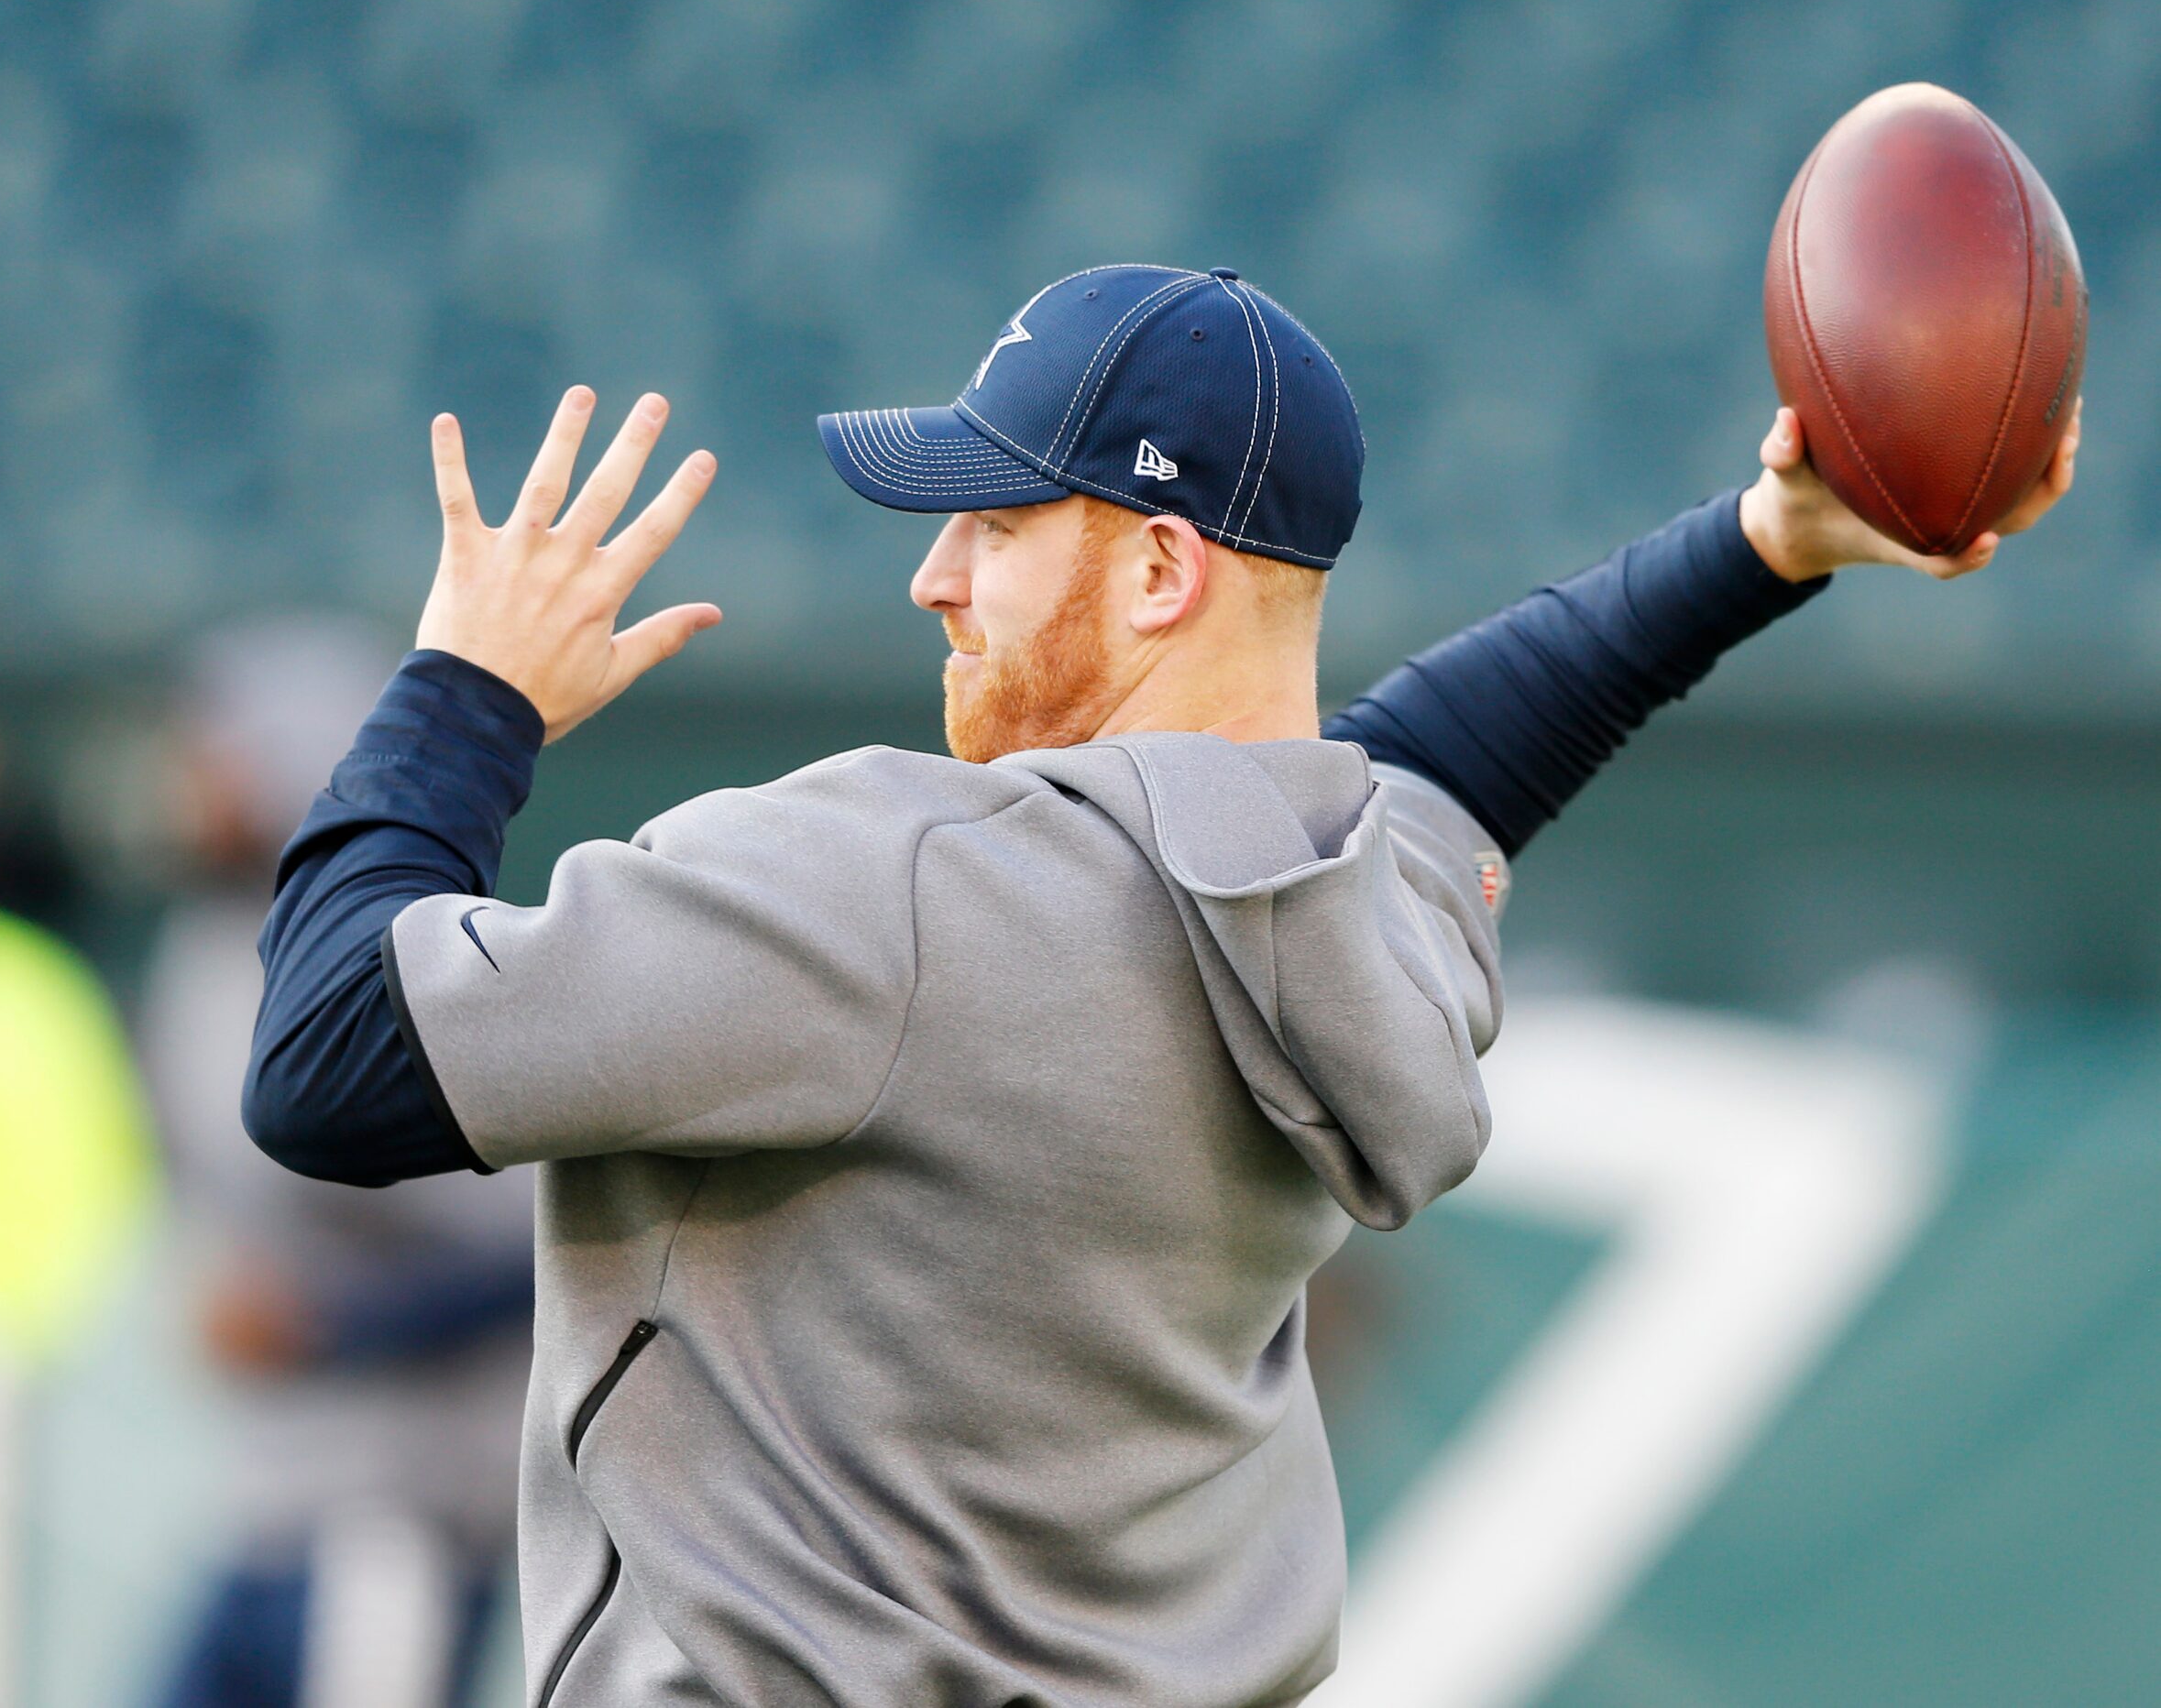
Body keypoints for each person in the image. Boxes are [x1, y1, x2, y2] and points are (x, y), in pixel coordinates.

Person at [240, 266, 2079, 1704]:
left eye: (992, 523)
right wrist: (1761, 548)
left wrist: (464, 698)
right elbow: (1442, 757)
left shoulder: (878, 880)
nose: (935, 581)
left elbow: (326, 1064)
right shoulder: (1381, 916)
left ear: (1154, 571)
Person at [144, 619, 537, 1708]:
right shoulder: (205, 950)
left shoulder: (419, 960)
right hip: (267, 1498)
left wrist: (331, 1324)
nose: (188, 779)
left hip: (398, 1505)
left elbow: (538, 1245)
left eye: (213, 750)